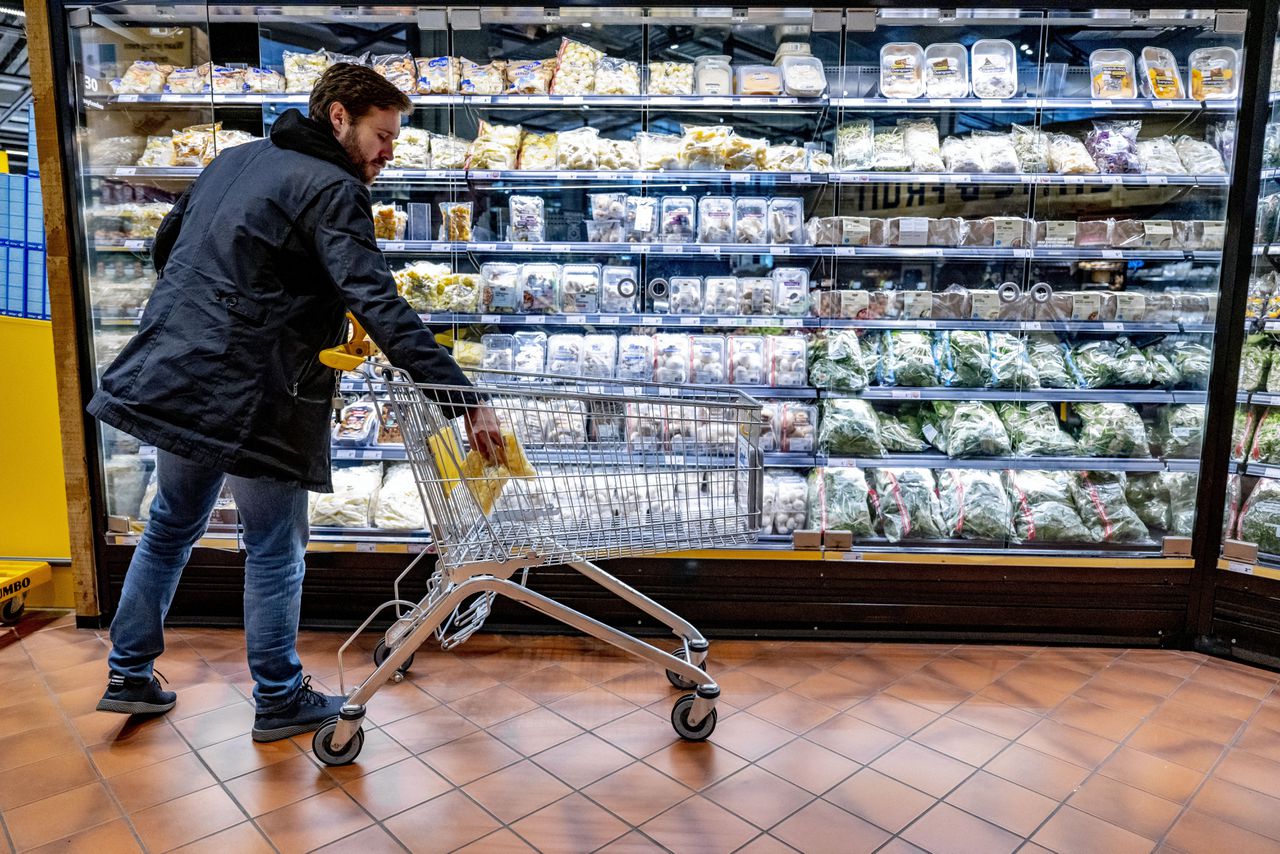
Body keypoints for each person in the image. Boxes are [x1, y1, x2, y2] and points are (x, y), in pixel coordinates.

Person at [88, 63, 503, 741]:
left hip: (174, 369)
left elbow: (167, 246)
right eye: (382, 133)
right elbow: (379, 303)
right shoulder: (334, 189)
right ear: (339, 117)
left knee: (169, 526)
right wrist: (465, 399)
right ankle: (279, 696)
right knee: (275, 547)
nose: (389, 150)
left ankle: (129, 673)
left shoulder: (235, 158)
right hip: (254, 391)